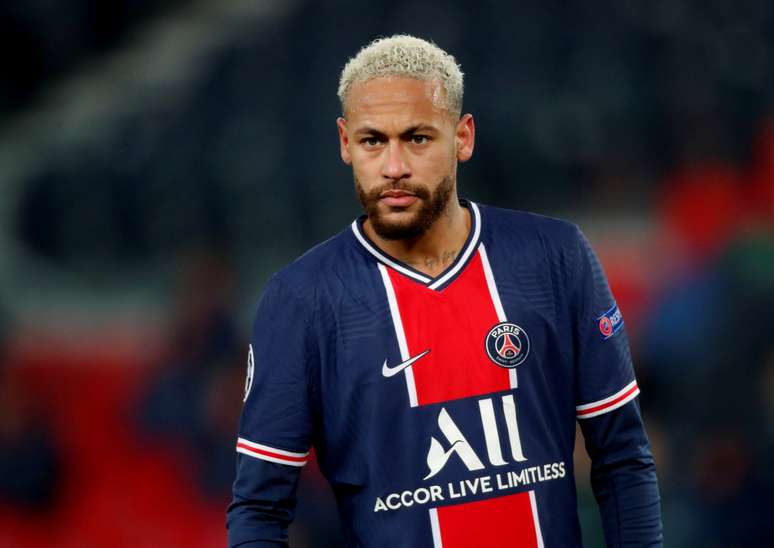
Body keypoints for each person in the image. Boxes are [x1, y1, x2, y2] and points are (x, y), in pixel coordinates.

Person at [227, 35, 662, 547]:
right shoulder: (301, 300)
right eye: (373, 141)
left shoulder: (554, 257)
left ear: (463, 137)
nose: (394, 167)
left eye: (417, 138)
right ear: (345, 143)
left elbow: (623, 459)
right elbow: (259, 507)